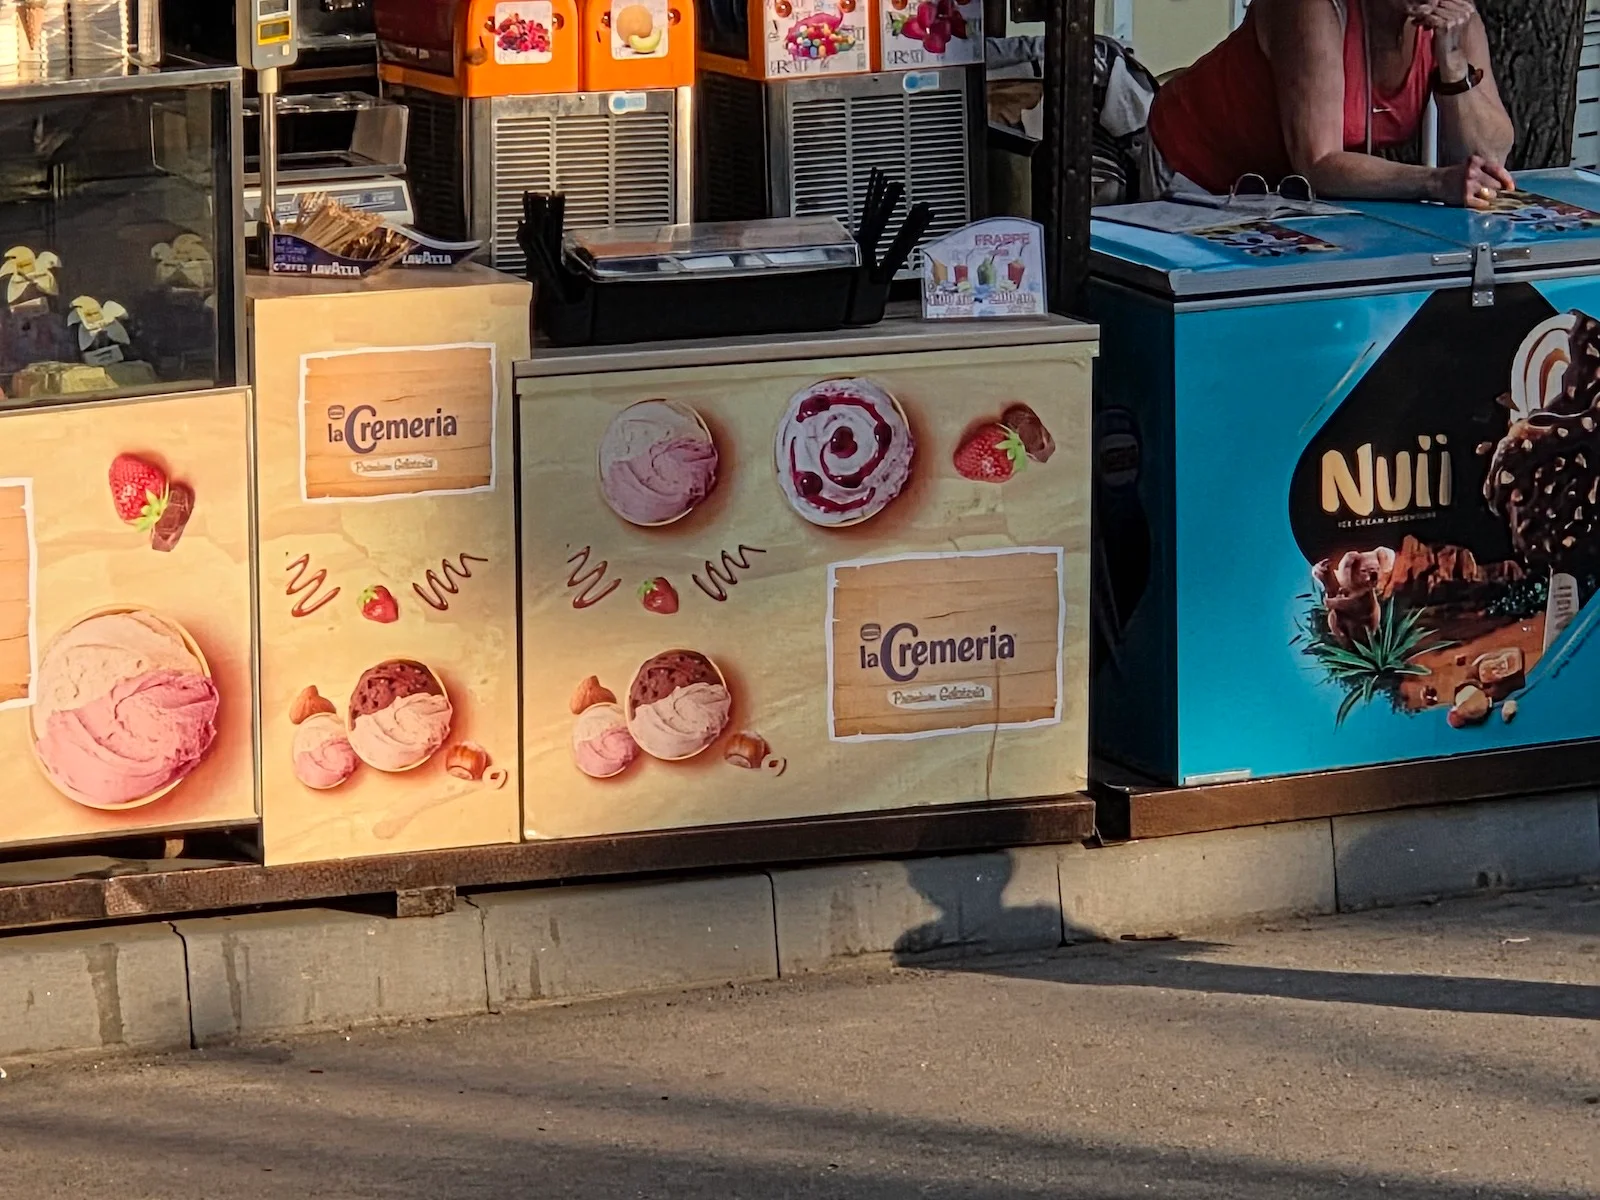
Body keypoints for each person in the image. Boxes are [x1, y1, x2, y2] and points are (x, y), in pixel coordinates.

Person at [1143, 0, 1516, 209]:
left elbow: (1489, 157)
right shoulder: (1311, 7)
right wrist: (1435, 181)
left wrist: (1452, 65)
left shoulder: (1455, 17)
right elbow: (1318, 163)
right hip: (1198, 169)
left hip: (1285, 195)